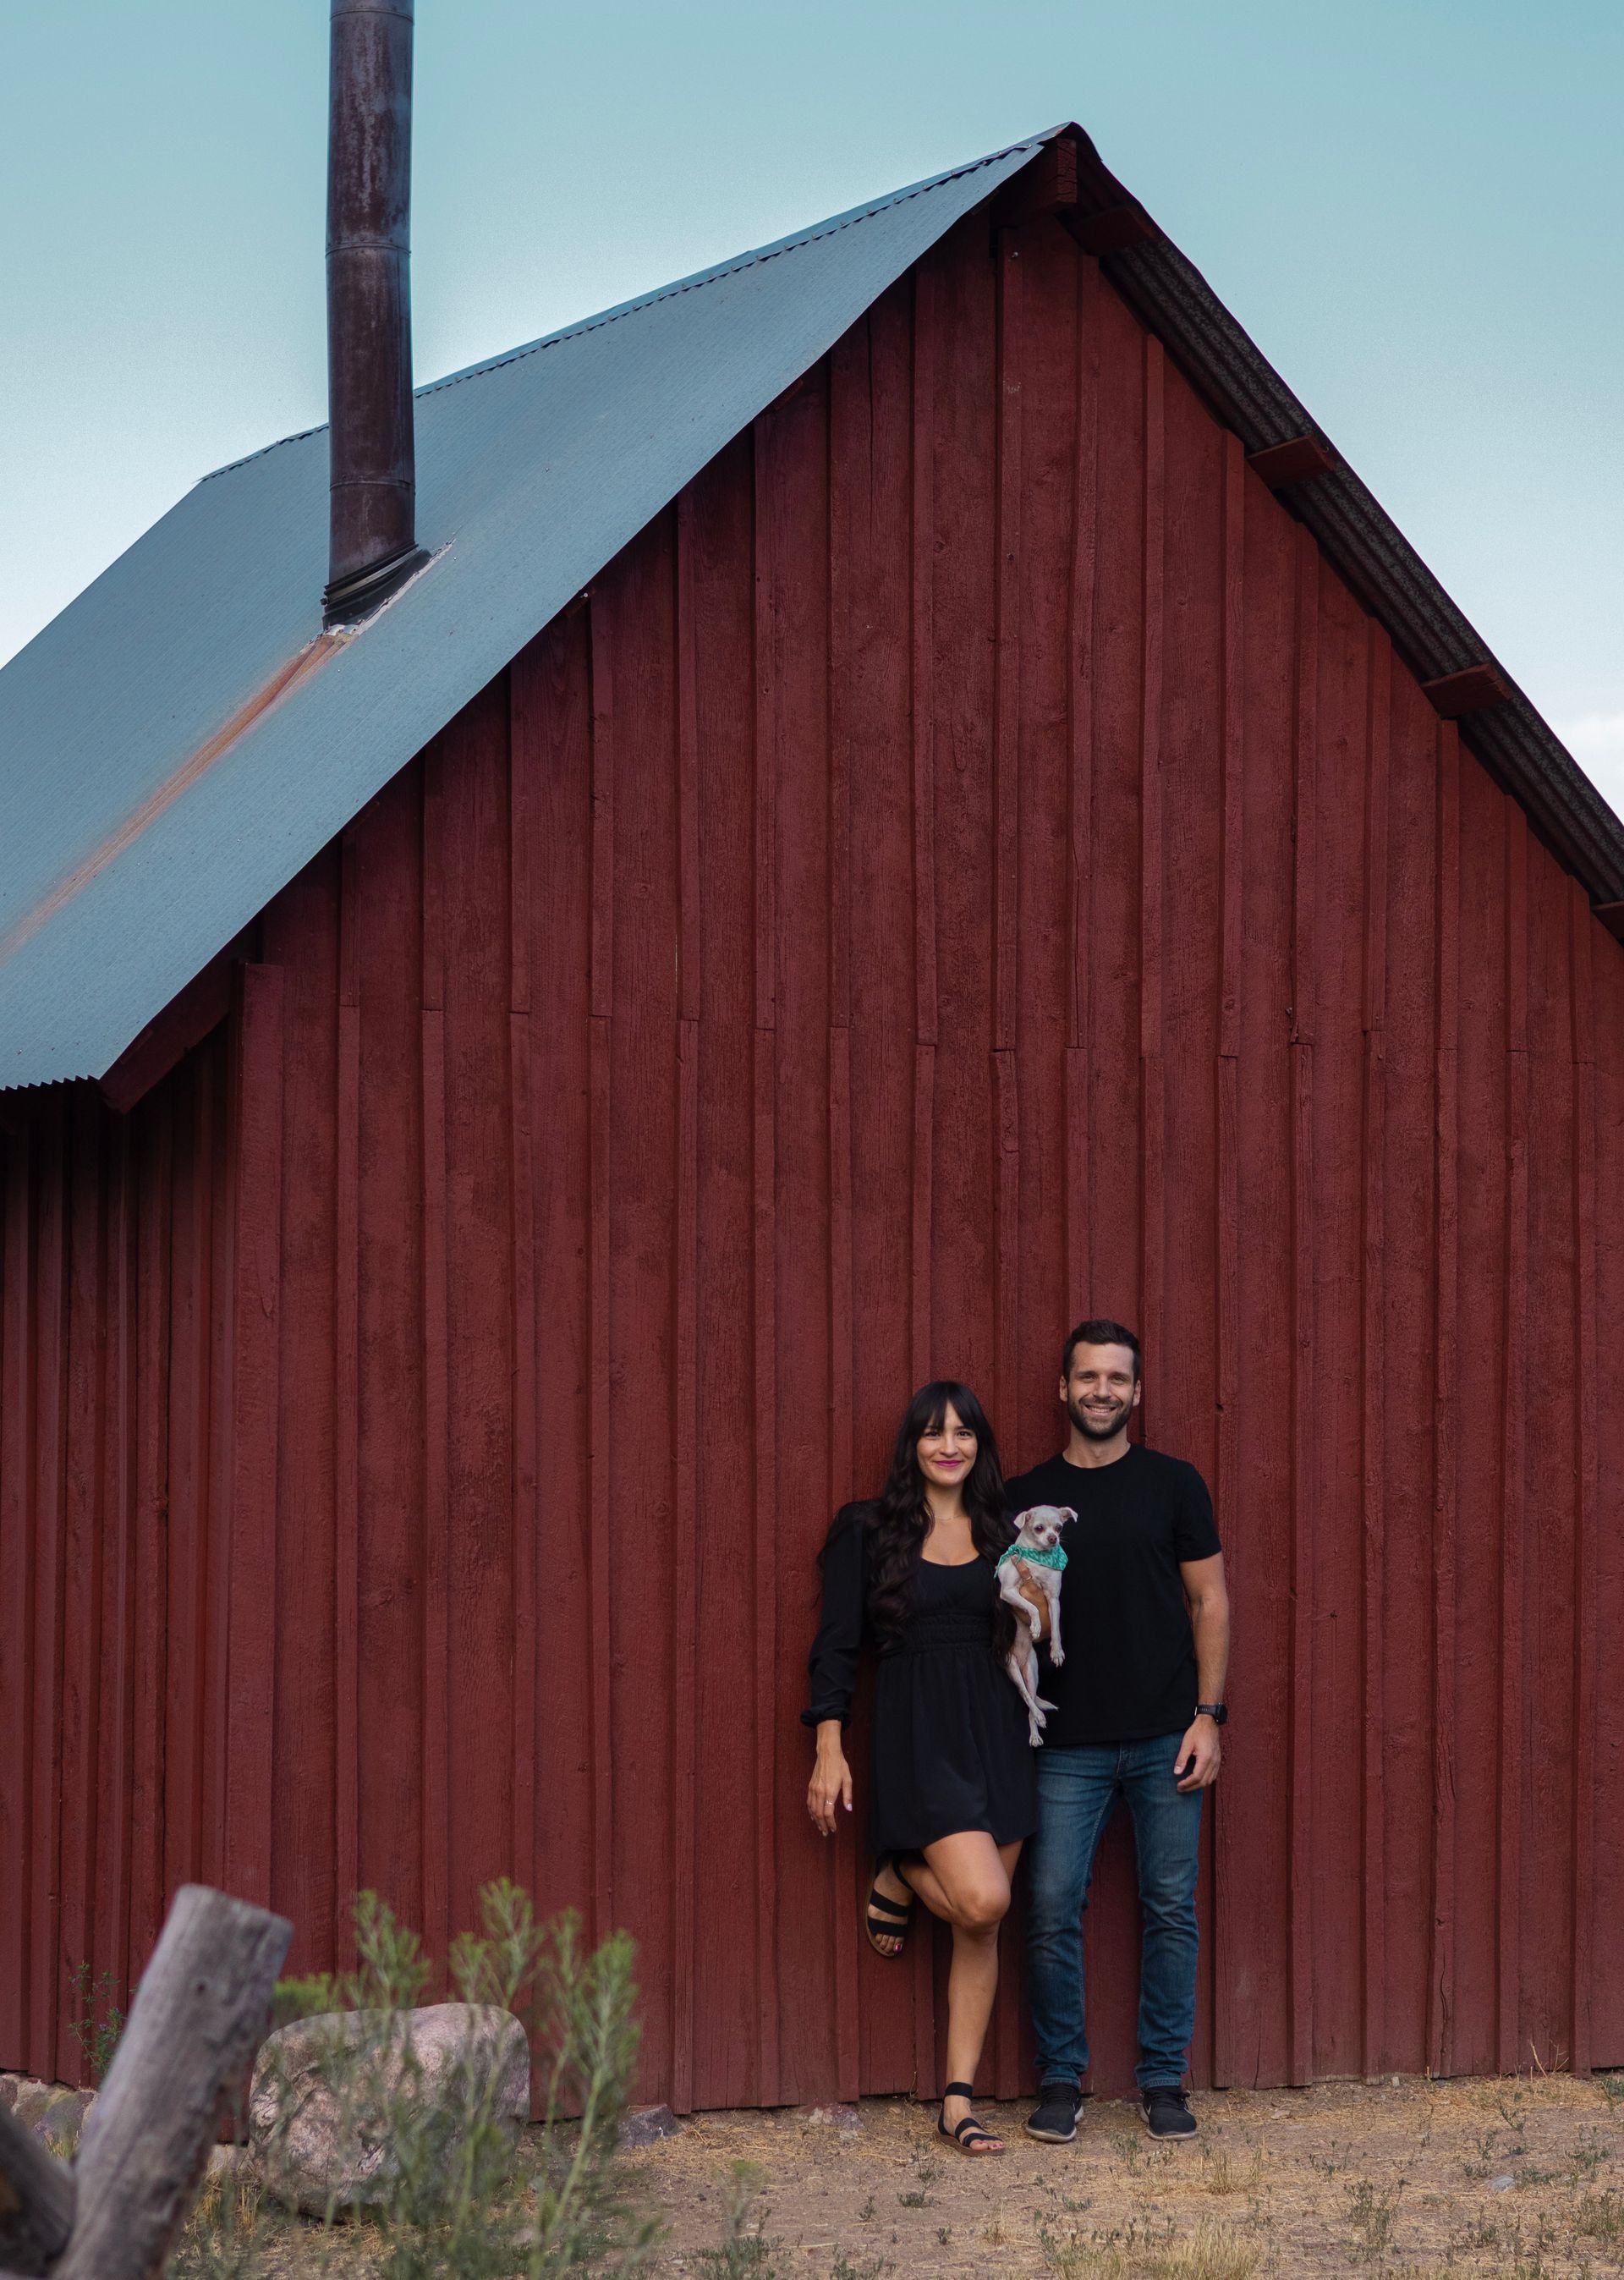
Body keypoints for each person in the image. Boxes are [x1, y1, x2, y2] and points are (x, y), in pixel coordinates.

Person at [1003, 1320, 1229, 2145]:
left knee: (1171, 1905)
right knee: (1052, 1901)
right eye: (1088, 1377)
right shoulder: (1023, 1497)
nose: (1102, 1390)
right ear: (1063, 1389)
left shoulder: (1174, 1484)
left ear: (1136, 1391)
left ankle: (1162, 2079)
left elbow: (1210, 1601)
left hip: (1169, 1733)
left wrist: (1209, 1716)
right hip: (1066, 1742)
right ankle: (1061, 2079)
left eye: (1117, 1378)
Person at [804, 1382, 1038, 2157]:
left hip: (997, 1729)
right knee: (982, 1897)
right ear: (912, 1444)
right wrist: (829, 1744)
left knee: (985, 1923)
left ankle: (957, 2100)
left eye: (964, 1432)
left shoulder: (1005, 1530)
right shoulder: (868, 1530)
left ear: (980, 1446)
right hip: (918, 1734)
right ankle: (901, 1863)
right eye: (934, 1431)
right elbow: (838, 1643)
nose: (950, 1444)